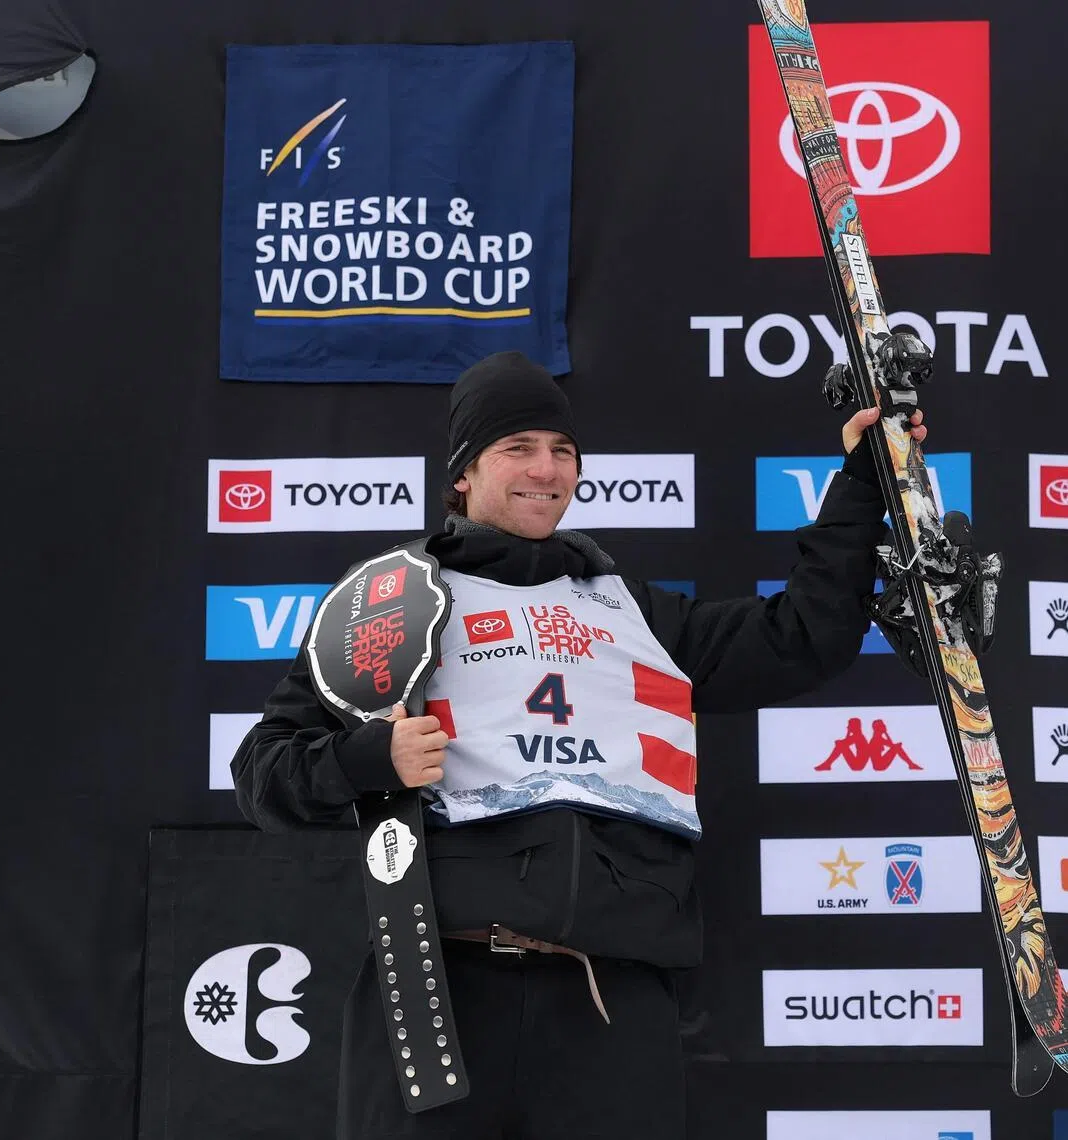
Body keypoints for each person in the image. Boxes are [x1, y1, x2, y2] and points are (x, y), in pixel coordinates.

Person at [231, 350, 927, 1140]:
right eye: (518, 447)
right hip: (439, 993)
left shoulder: (630, 612)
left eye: (562, 450)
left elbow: (800, 637)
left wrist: (864, 481)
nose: (547, 469)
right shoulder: (394, 603)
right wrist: (367, 760)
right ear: (462, 472)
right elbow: (263, 773)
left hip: (609, 1005)